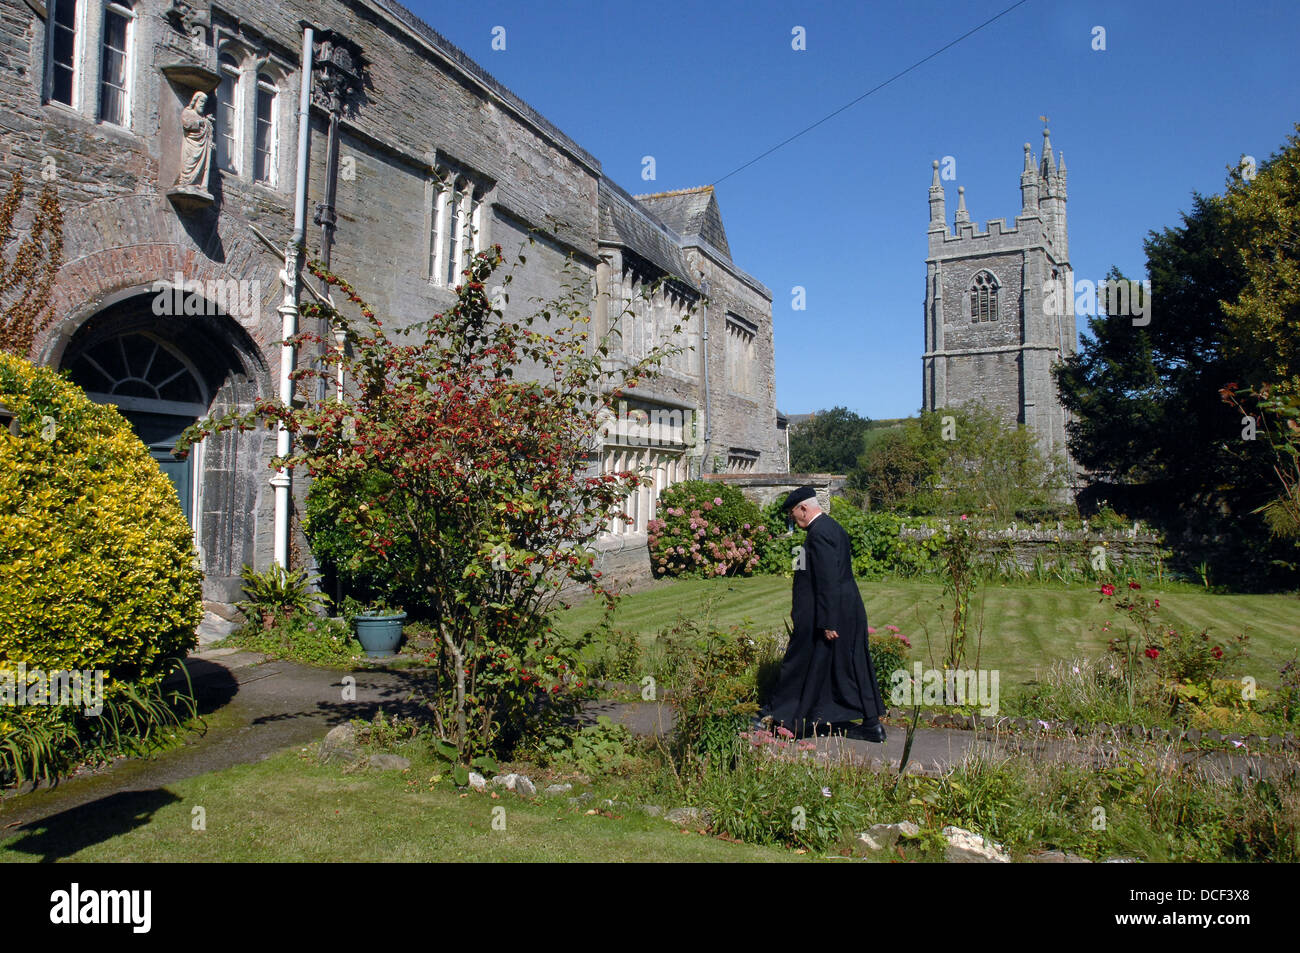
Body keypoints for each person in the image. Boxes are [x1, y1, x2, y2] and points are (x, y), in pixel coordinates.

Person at [760, 486, 886, 742]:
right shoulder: (831, 527)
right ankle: (867, 724)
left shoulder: (819, 534)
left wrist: (828, 622)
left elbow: (829, 580)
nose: (792, 519)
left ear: (803, 508)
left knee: (803, 665)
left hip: (830, 615)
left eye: (792, 513)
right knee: (844, 667)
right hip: (842, 611)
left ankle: (788, 722)